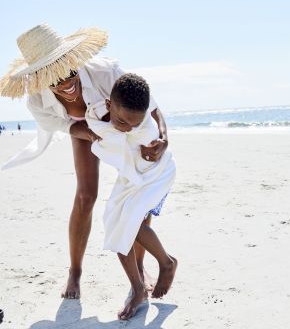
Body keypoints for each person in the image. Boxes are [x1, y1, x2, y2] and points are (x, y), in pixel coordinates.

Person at [0, 24, 168, 299]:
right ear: (42, 77)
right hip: (81, 128)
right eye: (56, 79)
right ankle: (75, 272)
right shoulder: (37, 100)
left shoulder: (106, 72)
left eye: (69, 71)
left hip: (126, 123)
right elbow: (59, 124)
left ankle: (139, 267)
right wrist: (86, 132)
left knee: (140, 190)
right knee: (85, 197)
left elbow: (150, 106)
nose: (67, 83)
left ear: (73, 61)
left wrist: (163, 138)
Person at [86, 73, 177, 320]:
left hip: (155, 175)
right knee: (115, 226)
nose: (129, 127)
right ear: (108, 105)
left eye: (135, 123)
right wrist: (99, 132)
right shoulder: (96, 114)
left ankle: (166, 263)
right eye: (123, 121)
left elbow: (148, 121)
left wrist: (162, 140)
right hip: (130, 179)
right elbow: (93, 127)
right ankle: (137, 289)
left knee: (130, 222)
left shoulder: (146, 129)